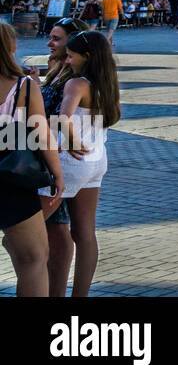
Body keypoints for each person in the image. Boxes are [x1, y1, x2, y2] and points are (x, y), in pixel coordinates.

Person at [37, 30, 120, 297]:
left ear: (87, 56)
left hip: (71, 163)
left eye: (71, 56)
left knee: (25, 230)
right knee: (85, 234)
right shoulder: (107, 83)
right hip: (97, 161)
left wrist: (70, 140)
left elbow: (63, 117)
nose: (68, 61)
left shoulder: (77, 84)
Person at [0, 23, 65, 297]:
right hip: (12, 177)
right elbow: (42, 135)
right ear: (10, 48)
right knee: (34, 260)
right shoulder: (25, 87)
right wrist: (58, 175)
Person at [40, 17, 89, 296]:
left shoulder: (73, 78)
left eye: (57, 39)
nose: (50, 42)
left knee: (57, 230)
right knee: (56, 228)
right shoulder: (56, 69)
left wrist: (68, 138)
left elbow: (61, 117)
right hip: (46, 155)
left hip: (58, 159)